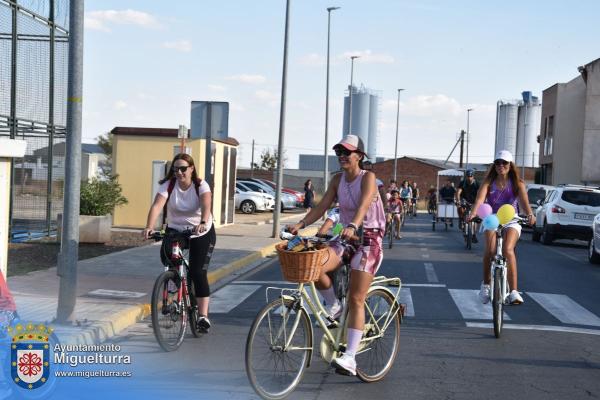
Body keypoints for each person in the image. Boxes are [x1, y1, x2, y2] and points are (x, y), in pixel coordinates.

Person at [287, 134, 385, 376]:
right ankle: (334, 305)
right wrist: (300, 224)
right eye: (339, 152)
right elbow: (321, 207)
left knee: (356, 298)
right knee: (315, 264)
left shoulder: (368, 177)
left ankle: (350, 357)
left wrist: (353, 225)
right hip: (346, 234)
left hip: (368, 236)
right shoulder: (337, 180)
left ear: (359, 156)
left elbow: (363, 205)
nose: (342, 156)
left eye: (347, 152)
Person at [142, 153, 216, 333]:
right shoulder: (169, 185)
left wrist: (203, 222)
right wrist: (149, 227)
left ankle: (203, 316)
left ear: (191, 168)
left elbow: (206, 205)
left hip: (200, 231)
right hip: (176, 230)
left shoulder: (200, 185)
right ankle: (175, 294)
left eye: (183, 168)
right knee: (169, 260)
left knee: (198, 272)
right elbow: (157, 206)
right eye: (176, 169)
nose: (179, 172)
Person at [467, 150, 535, 305]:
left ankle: (513, 292)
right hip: (491, 218)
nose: (500, 165)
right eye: (497, 162)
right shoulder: (488, 183)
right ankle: (485, 286)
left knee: (508, 250)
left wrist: (530, 214)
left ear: (510, 165)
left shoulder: (518, 183)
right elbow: (479, 201)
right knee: (490, 251)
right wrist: (472, 214)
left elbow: (524, 203)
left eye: (504, 162)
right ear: (494, 165)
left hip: (512, 219)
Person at [457, 169, 480, 242]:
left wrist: (481, 202)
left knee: (475, 219)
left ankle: (474, 235)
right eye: (468, 176)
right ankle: (461, 219)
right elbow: (458, 192)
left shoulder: (477, 184)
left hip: (474, 201)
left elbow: (480, 193)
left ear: (473, 176)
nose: (469, 178)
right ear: (466, 176)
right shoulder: (462, 183)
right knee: (460, 208)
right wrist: (458, 200)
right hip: (464, 199)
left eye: (471, 176)